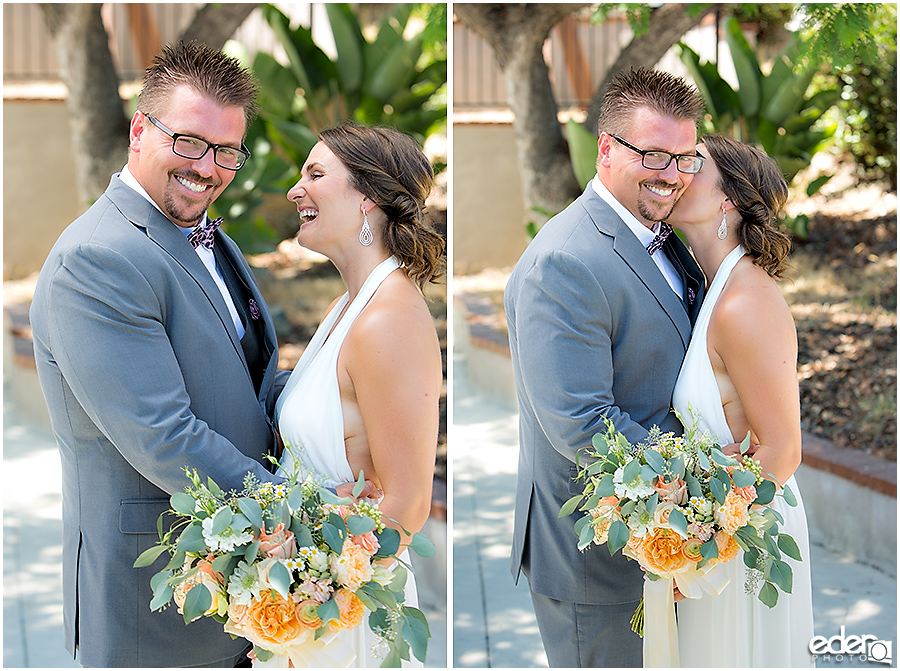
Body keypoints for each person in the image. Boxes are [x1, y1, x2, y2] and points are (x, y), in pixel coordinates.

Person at [29, 42, 290, 668]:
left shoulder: (204, 234)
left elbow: (248, 381)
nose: (209, 168)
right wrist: (293, 512)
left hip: (238, 585)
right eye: (190, 141)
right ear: (140, 130)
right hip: (155, 597)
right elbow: (163, 436)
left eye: (228, 151)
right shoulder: (98, 258)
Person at [504, 67, 707, 667]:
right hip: (595, 560)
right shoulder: (565, 262)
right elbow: (583, 425)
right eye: (653, 154)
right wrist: (706, 494)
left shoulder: (664, 236)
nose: (671, 174)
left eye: (685, 158)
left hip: (662, 541)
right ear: (607, 149)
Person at [278, 124, 445, 666]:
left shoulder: (386, 320)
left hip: (341, 614)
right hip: (307, 598)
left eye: (316, 174)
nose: (294, 190)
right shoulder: (348, 306)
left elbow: (407, 505)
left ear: (367, 199)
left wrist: (310, 590)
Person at [668, 133, 814, 667]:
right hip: (725, 524)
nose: (675, 171)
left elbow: (781, 450)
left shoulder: (746, 302)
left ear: (727, 197)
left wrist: (696, 551)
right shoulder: (710, 289)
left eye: (693, 164)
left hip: (746, 534)